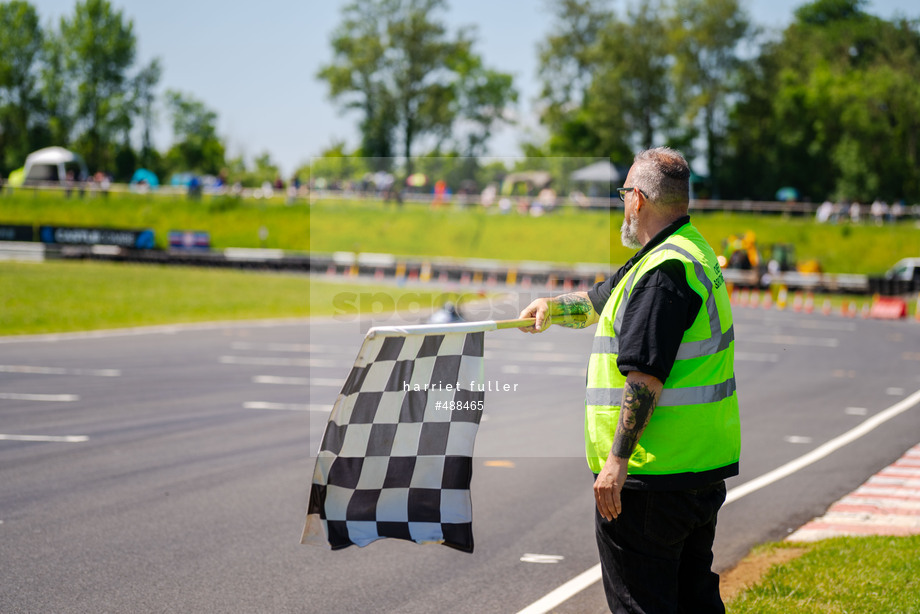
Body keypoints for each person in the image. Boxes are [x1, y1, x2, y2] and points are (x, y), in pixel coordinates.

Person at [518, 147, 740, 613]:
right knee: (693, 600)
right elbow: (602, 298)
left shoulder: (662, 273)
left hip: (650, 479)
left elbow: (645, 379)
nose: (622, 204)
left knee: (642, 605)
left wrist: (617, 461)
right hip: (698, 470)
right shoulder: (684, 249)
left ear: (637, 199)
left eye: (624, 194)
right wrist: (552, 309)